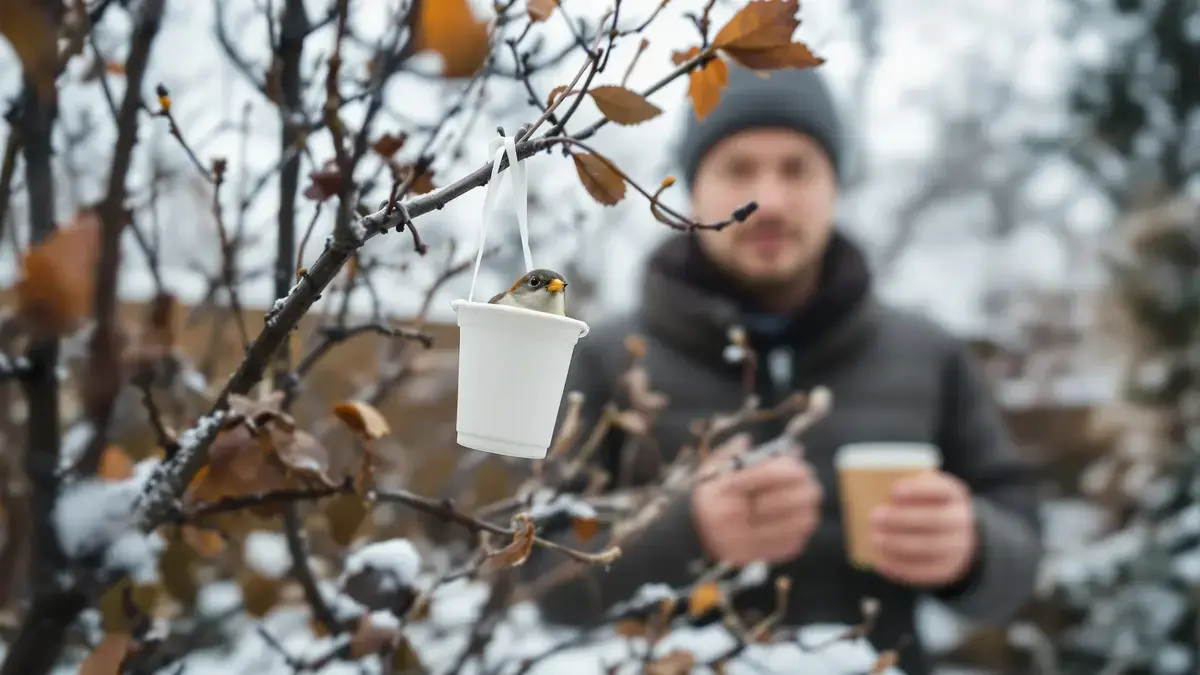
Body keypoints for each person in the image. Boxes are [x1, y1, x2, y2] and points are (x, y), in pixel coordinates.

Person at [520, 64, 1044, 675]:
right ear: (693, 187)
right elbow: (533, 579)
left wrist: (973, 549)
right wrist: (687, 533)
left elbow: (1022, 551)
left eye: (797, 168)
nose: (768, 201)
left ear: (835, 186)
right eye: (738, 168)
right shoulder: (605, 359)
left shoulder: (930, 355)